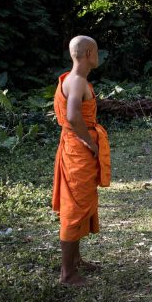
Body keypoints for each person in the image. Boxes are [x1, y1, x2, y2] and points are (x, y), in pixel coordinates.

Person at [52, 35, 111, 286]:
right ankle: (67, 274)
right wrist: (89, 142)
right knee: (74, 208)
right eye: (96, 51)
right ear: (88, 53)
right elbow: (74, 116)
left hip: (72, 146)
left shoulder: (72, 79)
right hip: (77, 150)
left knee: (80, 201)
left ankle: (76, 260)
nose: (98, 56)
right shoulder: (77, 81)